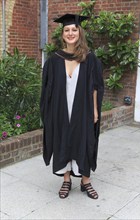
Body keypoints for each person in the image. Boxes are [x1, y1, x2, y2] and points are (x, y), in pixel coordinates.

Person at [40, 14, 104, 199]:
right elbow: (47, 90)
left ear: (79, 32)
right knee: (62, 141)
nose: (70, 33)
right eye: (67, 30)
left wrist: (94, 110)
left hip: (82, 110)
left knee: (84, 141)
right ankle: (66, 179)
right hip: (60, 110)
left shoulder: (89, 58)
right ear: (62, 34)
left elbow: (95, 87)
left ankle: (86, 181)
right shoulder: (54, 60)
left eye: (74, 30)